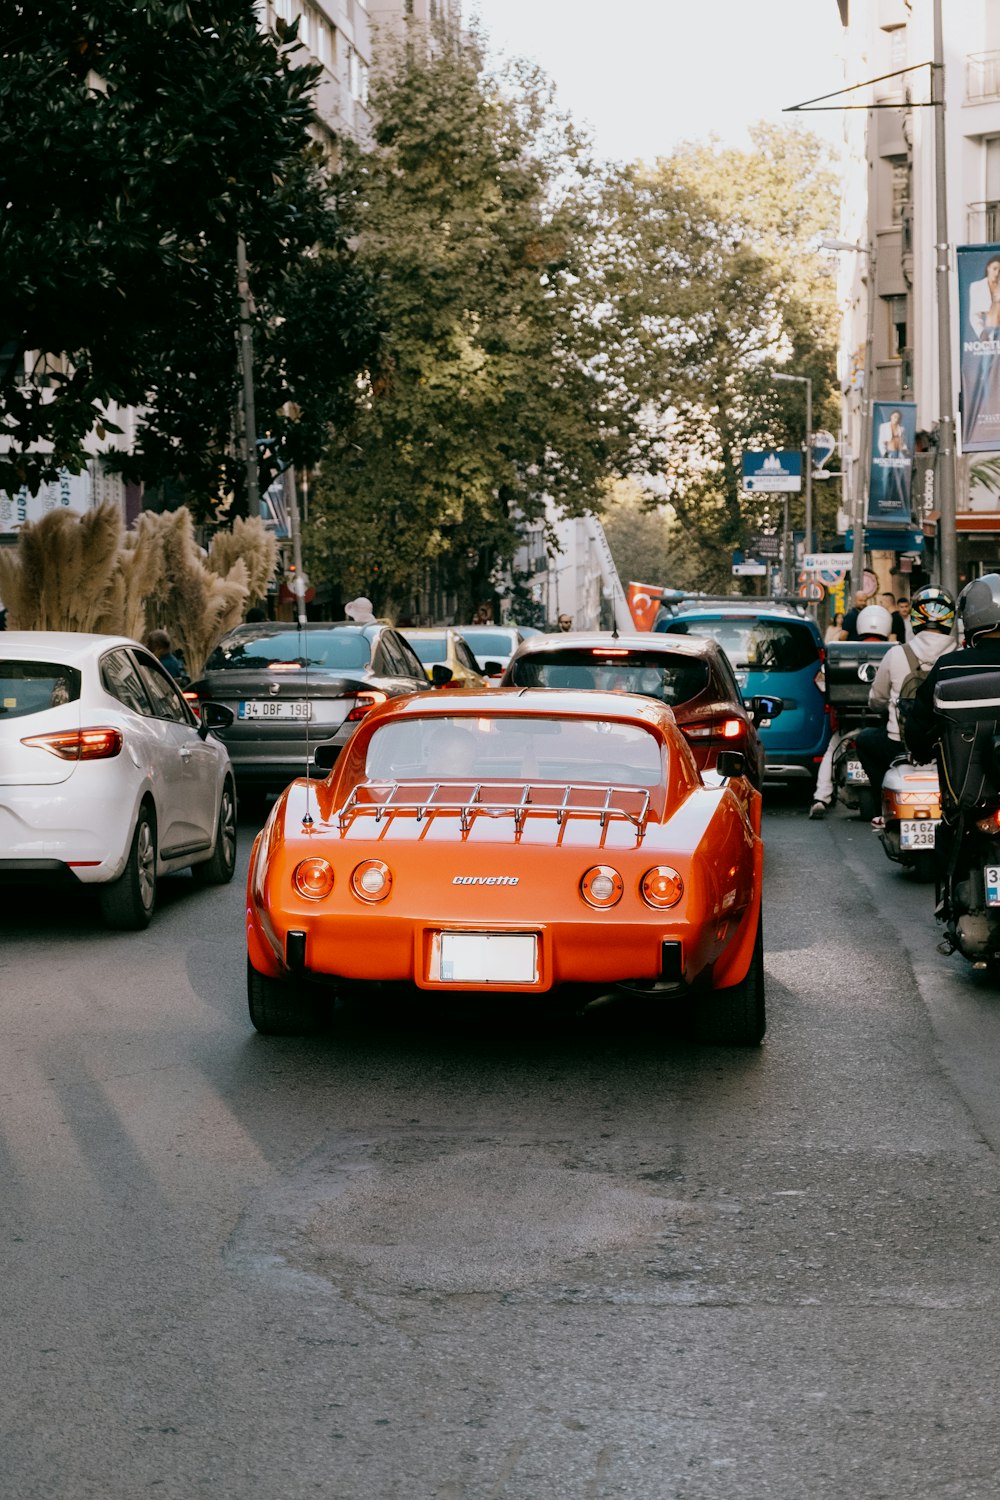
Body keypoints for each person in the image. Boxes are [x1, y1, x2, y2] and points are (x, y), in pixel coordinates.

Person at [853, 587, 956, 826]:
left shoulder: (896, 653)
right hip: (948, 747)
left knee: (865, 741)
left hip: (899, 744)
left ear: (915, 617)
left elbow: (876, 699)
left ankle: (885, 802)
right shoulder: (959, 655)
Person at [810, 604, 894, 818]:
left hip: (846, 721)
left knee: (831, 750)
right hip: (882, 719)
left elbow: (821, 683)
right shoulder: (895, 651)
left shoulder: (842, 650)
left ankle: (821, 798)